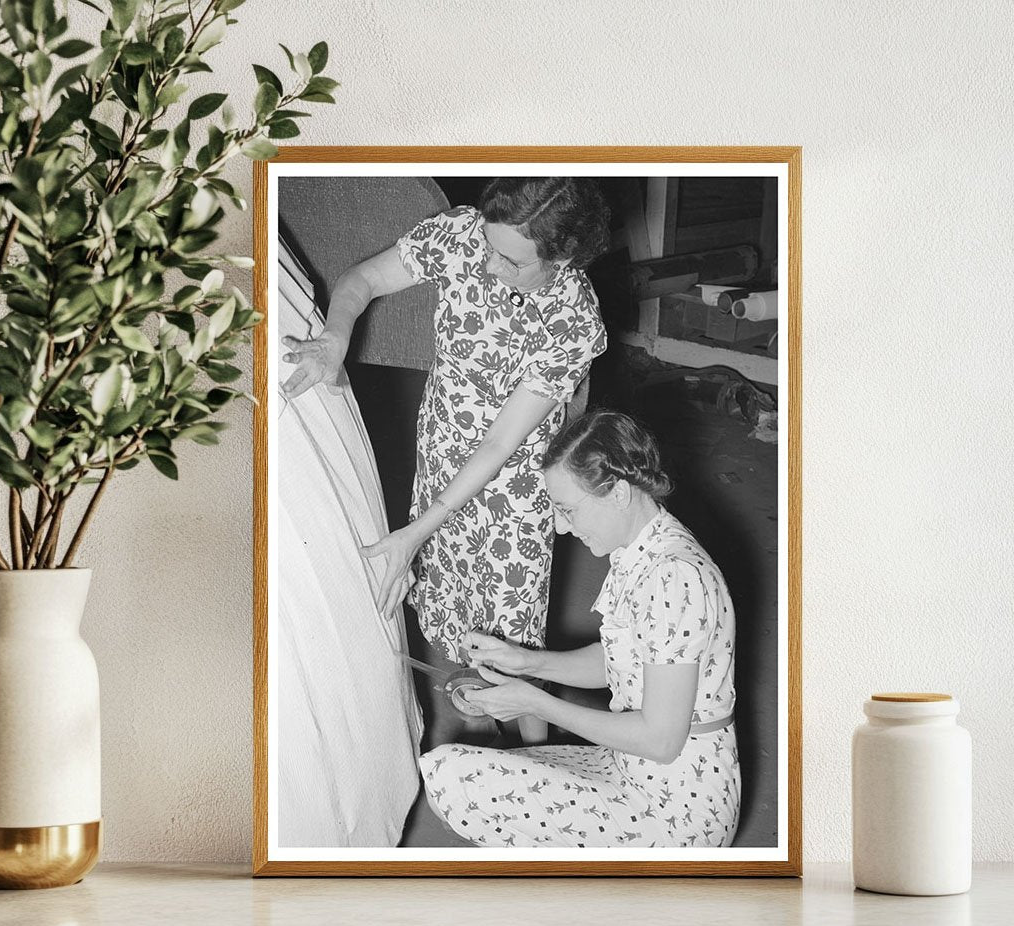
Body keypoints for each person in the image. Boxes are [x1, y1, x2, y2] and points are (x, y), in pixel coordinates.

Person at [283, 179, 609, 666]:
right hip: (440, 454)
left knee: (512, 652)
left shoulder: (573, 322)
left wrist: (418, 530)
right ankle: (475, 725)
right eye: (488, 245)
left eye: (513, 262)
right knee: (450, 616)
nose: (488, 265)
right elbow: (364, 279)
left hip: (508, 492)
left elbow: (500, 442)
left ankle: (530, 739)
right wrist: (335, 336)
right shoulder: (461, 234)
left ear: (562, 259)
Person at [419, 410, 740, 848]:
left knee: (452, 777)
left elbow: (662, 740)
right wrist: (528, 661)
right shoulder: (644, 548)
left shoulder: (674, 576)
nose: (559, 526)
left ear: (619, 493)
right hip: (634, 769)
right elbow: (622, 661)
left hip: (675, 808)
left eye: (567, 509)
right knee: (465, 772)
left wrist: (536, 703)